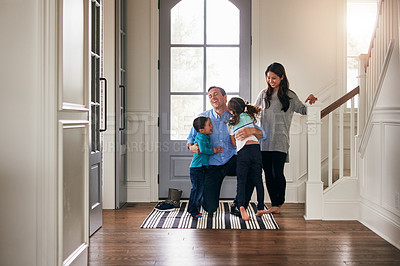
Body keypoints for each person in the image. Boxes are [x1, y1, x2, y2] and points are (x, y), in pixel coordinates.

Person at [187, 86, 266, 214]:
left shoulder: (236, 114)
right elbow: (190, 138)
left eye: (216, 94)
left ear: (225, 97)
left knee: (253, 169)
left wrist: (252, 131)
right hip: (212, 164)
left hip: (233, 159)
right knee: (210, 208)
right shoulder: (203, 117)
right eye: (210, 95)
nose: (213, 97)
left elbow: (263, 135)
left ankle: (239, 205)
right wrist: (192, 146)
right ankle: (205, 199)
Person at [254, 62, 317, 214]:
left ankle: (279, 202)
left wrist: (311, 102)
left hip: (280, 140)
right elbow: (254, 111)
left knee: (277, 172)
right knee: (268, 174)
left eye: (274, 78)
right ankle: (274, 204)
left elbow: (303, 110)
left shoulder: (290, 96)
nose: (271, 81)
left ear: (282, 77)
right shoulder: (263, 94)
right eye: (268, 78)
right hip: (264, 141)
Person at [227, 97, 267, 220]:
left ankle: (242, 208)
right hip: (255, 149)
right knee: (258, 180)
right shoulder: (249, 117)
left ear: (232, 111)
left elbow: (234, 143)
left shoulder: (230, 123)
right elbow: (260, 135)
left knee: (242, 181)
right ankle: (260, 208)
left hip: (243, 152)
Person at [187, 116, 223, 218]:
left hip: (201, 167)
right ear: (202, 130)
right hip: (197, 168)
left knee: (199, 189)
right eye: (209, 125)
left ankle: (193, 208)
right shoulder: (201, 137)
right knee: (197, 190)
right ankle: (193, 210)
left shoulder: (205, 136)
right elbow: (202, 150)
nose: (212, 126)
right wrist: (214, 150)